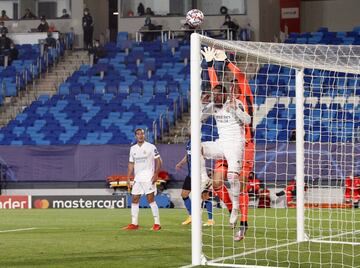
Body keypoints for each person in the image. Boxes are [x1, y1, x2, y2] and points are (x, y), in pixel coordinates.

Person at [202, 47, 255, 241]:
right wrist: (210, 65)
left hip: (245, 146)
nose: (232, 87)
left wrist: (225, 62)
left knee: (240, 184)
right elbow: (215, 85)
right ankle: (232, 209)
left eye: (235, 85)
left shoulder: (245, 99)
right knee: (217, 183)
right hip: (225, 145)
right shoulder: (223, 102)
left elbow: (240, 77)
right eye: (230, 85)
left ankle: (243, 225)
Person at [123, 128, 162, 231]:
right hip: (137, 179)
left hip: (148, 177)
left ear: (144, 135)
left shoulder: (151, 147)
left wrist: (156, 174)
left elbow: (159, 160)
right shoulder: (133, 149)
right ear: (135, 136)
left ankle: (157, 224)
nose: (140, 136)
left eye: (142, 134)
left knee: (150, 199)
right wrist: (128, 177)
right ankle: (134, 224)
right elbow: (131, 163)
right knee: (134, 199)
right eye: (138, 134)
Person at [175, 139, 214, 226]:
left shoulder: (200, 143)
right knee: (184, 194)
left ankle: (210, 219)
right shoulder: (189, 142)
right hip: (191, 175)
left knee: (204, 196)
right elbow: (188, 155)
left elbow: (203, 155)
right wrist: (181, 163)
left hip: (200, 175)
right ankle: (191, 216)